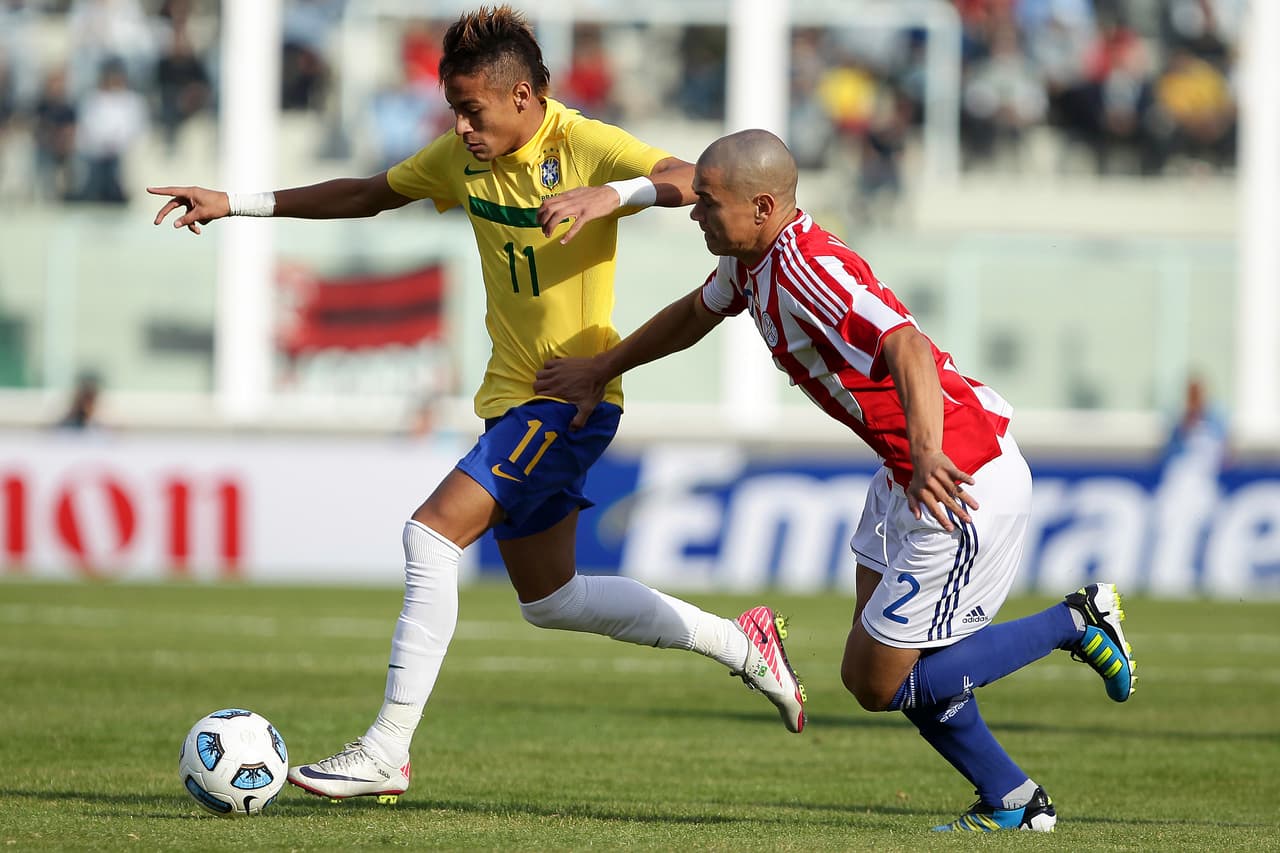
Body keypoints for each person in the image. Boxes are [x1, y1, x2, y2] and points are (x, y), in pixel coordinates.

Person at [148, 6, 805, 804]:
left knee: (430, 533)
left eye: (473, 110)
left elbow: (688, 178)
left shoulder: (581, 142)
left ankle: (387, 747)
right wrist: (237, 202)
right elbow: (366, 192)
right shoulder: (462, 160)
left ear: (523, 95)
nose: (460, 127)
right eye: (454, 111)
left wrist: (616, 197)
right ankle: (744, 645)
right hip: (510, 400)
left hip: (569, 395)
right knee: (552, 599)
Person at [534, 129, 1137, 833]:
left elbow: (906, 342)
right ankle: (1013, 799)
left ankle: (1078, 620)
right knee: (867, 670)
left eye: (708, 202)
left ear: (762, 206)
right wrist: (601, 368)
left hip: (960, 476)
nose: (694, 212)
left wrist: (926, 449)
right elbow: (693, 316)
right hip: (906, 472)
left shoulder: (813, 271)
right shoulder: (753, 260)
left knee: (888, 682)